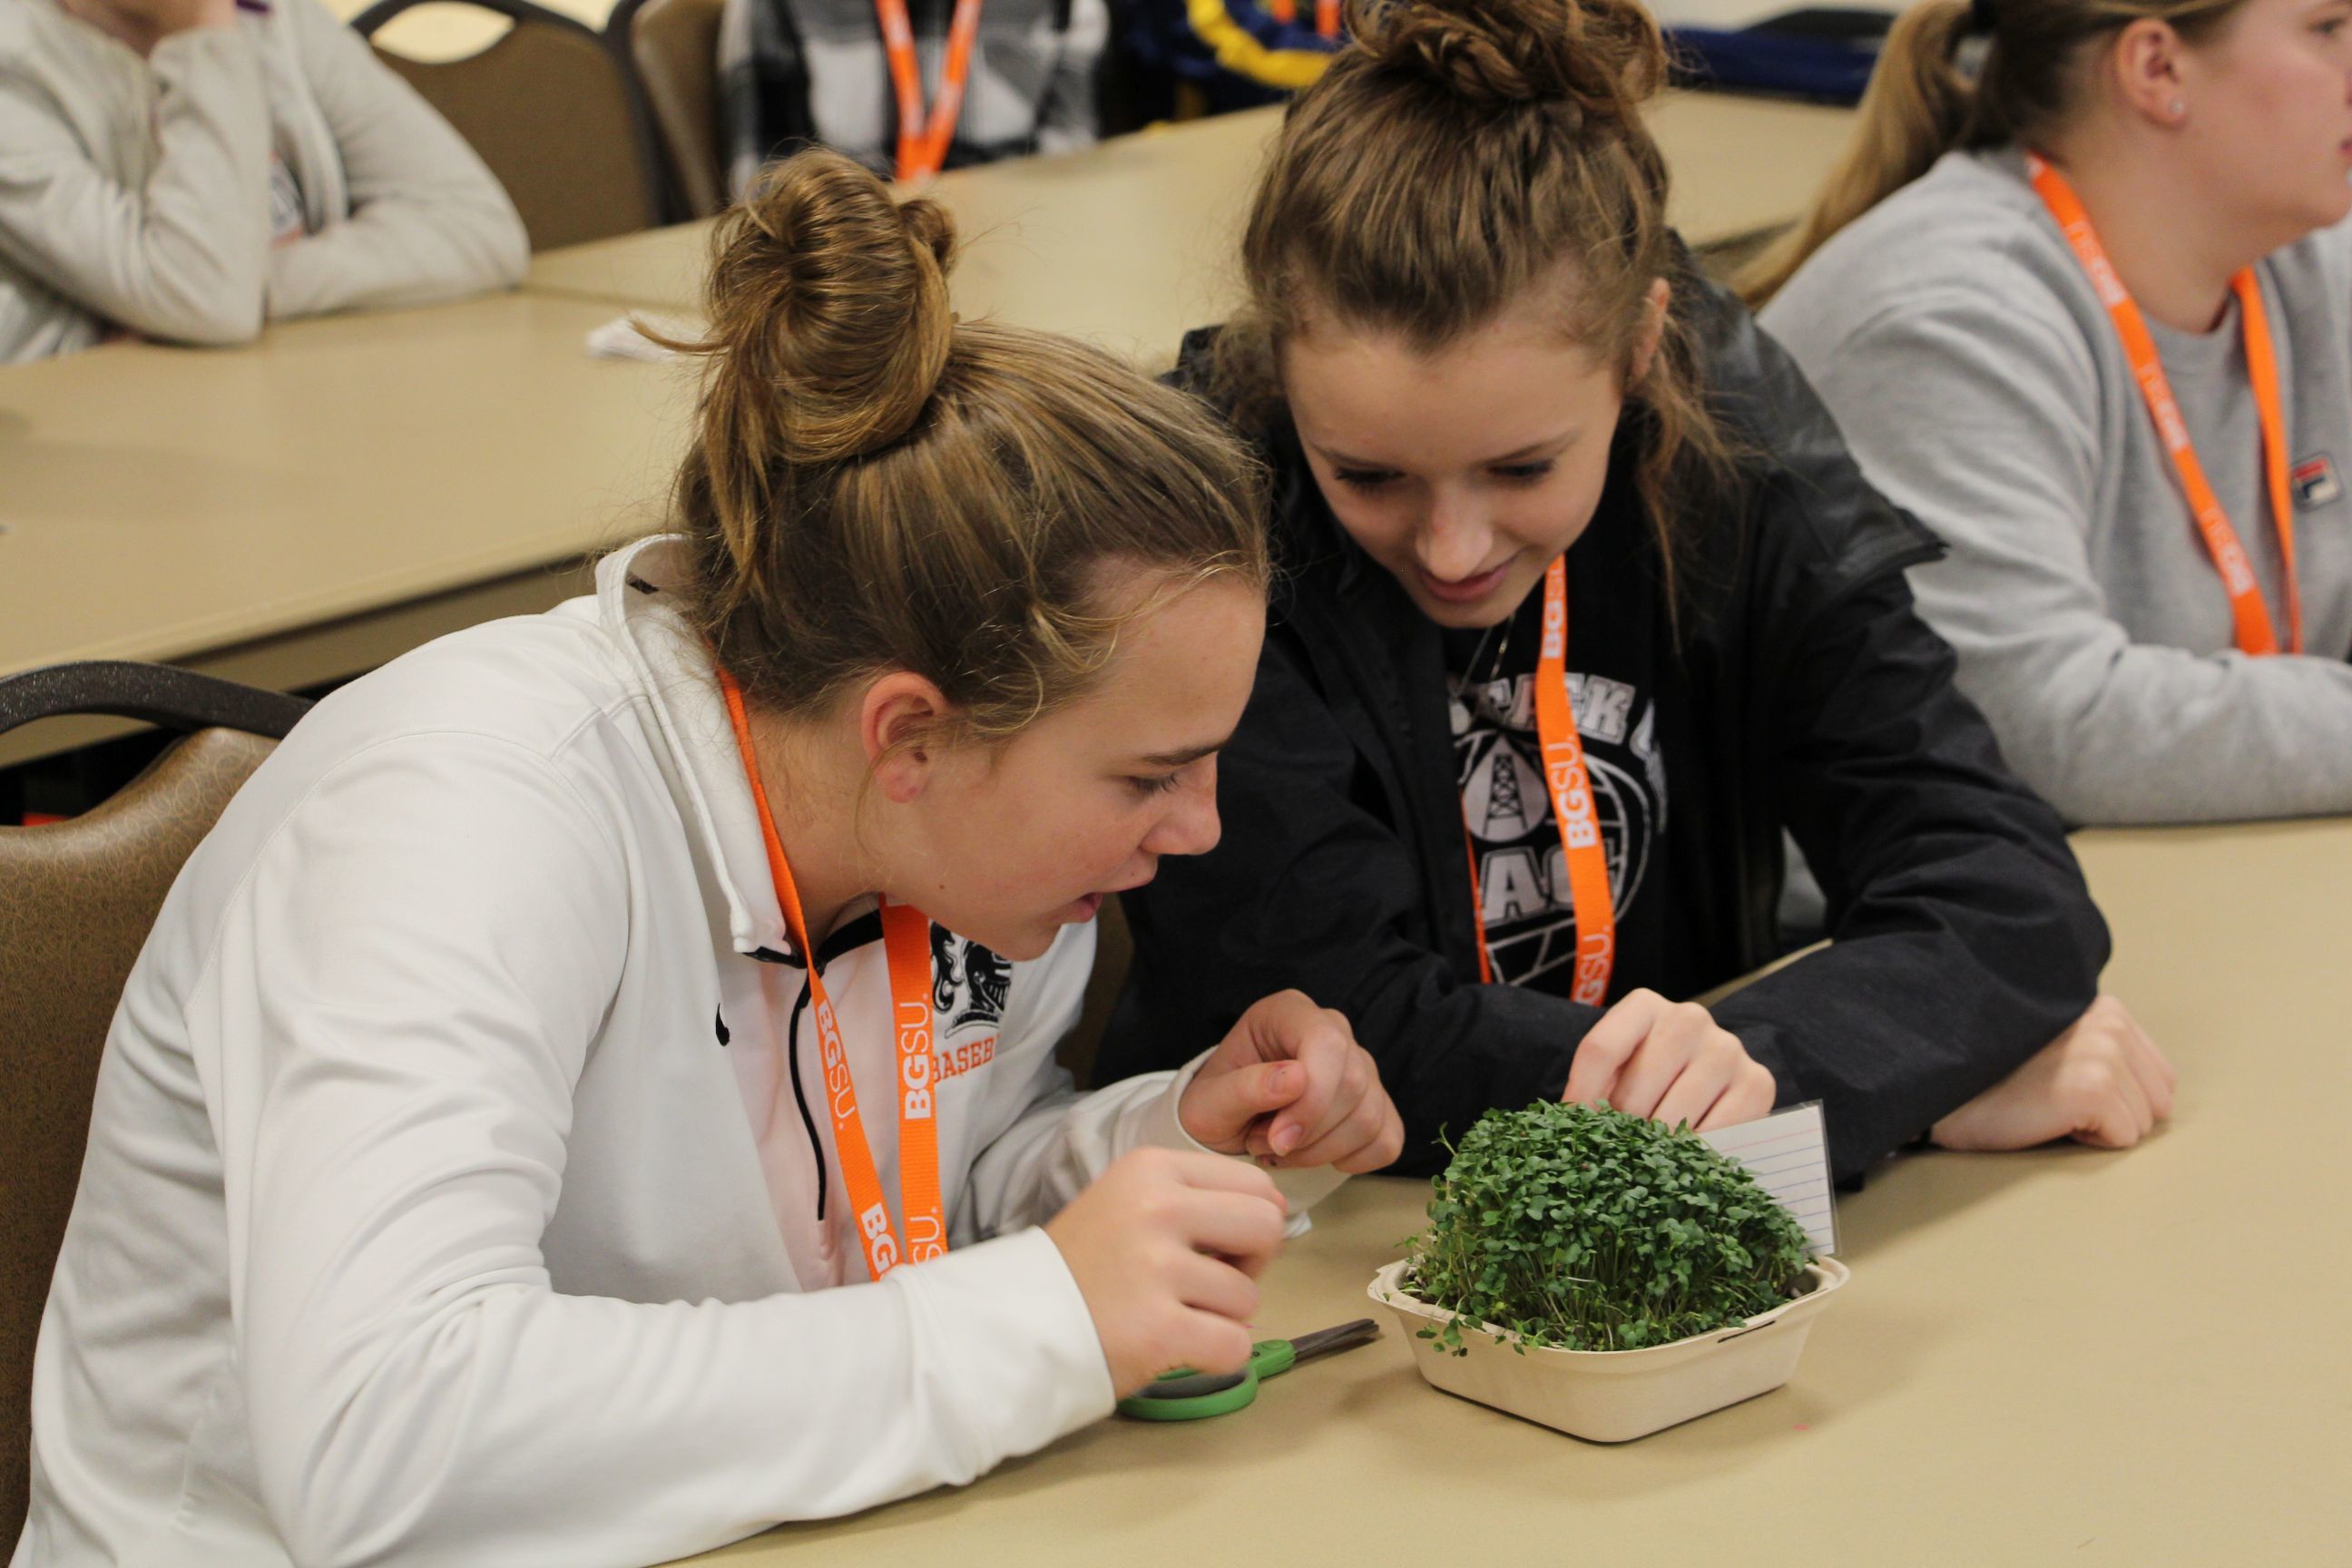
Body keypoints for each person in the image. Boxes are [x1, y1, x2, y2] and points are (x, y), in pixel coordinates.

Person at [12, 148, 1402, 1567]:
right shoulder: (463, 816)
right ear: (909, 736)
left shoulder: (965, 854)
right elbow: (384, 1437)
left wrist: (1169, 1150)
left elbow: (915, 1213)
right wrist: (1036, 1321)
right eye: (1150, 775)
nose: (1200, 827)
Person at [1099, 0, 2177, 1184]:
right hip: (1309, 1221)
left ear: (1644, 348)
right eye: (1368, 475)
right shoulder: (1196, 527)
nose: (1453, 548)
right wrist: (1847, 1098)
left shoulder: (1726, 431)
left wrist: (1778, 1077)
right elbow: (1348, 1029)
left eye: (1524, 469)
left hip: (1667, 1216)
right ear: (1279, 370)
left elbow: (1999, 881)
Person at [1751, 0, 2352, 824]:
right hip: (1916, 892)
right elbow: (2040, 721)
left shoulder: (2301, 266)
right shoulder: (1950, 316)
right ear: (2156, 69)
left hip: (2180, 867)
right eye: (2329, 29)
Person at [0, 0, 528, 362]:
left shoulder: (275, 18)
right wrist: (202, 34)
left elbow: (478, 225)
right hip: (102, 445)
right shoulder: (15, 62)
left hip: (278, 402)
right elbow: (209, 300)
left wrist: (251, 283)